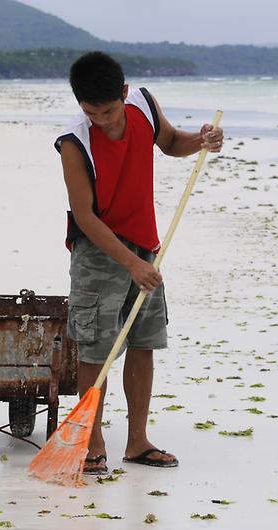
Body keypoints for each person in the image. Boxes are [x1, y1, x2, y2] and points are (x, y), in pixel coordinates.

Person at [55, 51, 224, 475]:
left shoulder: (144, 106)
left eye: (109, 111)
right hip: (99, 254)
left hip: (145, 247)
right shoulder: (74, 143)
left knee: (143, 341)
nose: (103, 120)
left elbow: (170, 143)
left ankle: (137, 442)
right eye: (92, 112)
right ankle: (92, 445)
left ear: (125, 94)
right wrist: (131, 263)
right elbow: (86, 218)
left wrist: (200, 140)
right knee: (95, 348)